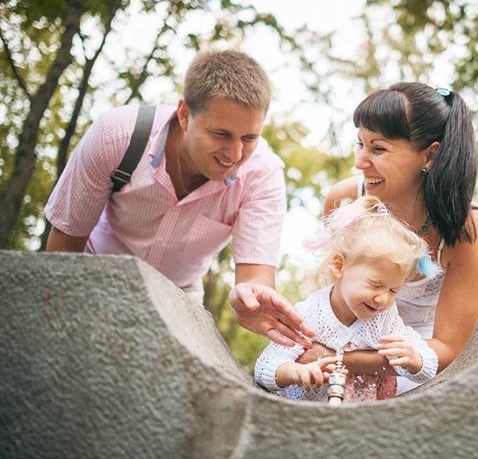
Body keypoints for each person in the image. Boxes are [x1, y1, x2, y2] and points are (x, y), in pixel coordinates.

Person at [44, 49, 313, 348]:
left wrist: (251, 301)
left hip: (178, 303)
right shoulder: (116, 136)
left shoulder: (262, 175)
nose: (235, 154)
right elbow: (64, 247)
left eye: (249, 138)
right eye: (221, 134)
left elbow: (255, 280)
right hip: (92, 276)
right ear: (184, 115)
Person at [300, 82, 478, 393]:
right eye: (360, 144)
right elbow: (328, 301)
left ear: (430, 155)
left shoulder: (467, 230)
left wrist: (338, 359)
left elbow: (447, 346)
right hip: (337, 345)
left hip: (413, 363)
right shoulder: (346, 201)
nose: (360, 162)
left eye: (378, 148)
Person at [255, 196, 439, 402]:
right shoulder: (309, 316)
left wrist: (415, 360)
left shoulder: (385, 320)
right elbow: (265, 366)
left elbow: (429, 365)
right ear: (339, 265)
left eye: (393, 291)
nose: (383, 299)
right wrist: (293, 372)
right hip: (308, 416)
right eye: (375, 285)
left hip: (359, 420)